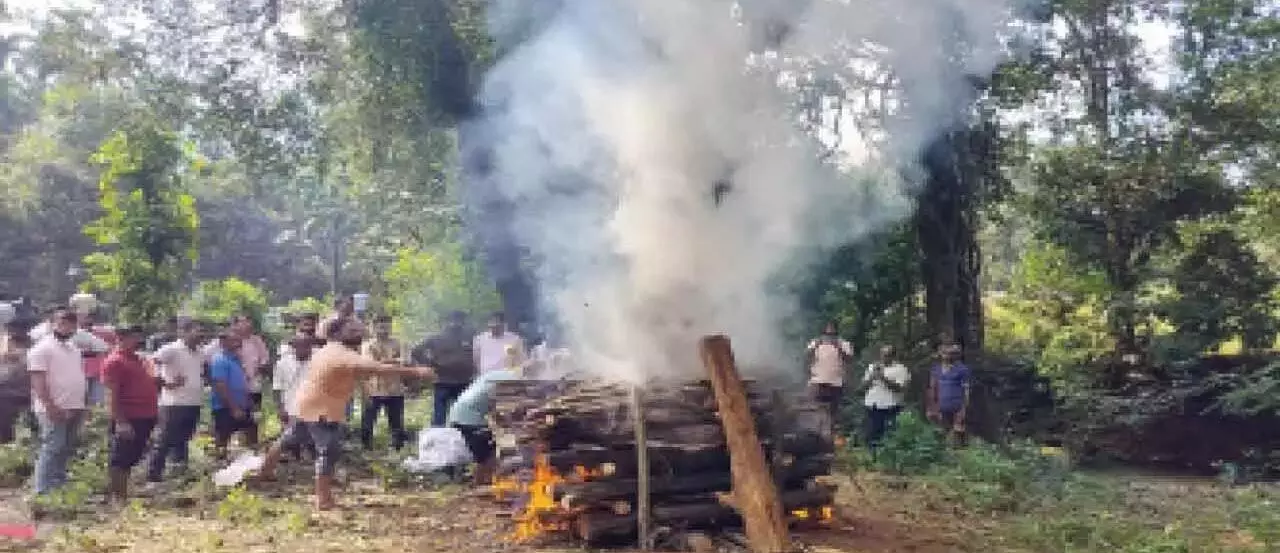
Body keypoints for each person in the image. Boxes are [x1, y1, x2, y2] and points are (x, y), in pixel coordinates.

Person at [257, 317, 434, 510]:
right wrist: (416, 372)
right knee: (328, 451)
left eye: (358, 330)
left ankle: (265, 471)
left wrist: (392, 365)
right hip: (323, 410)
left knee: (287, 439)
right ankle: (322, 499)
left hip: (307, 404)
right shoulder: (342, 354)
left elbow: (367, 367)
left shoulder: (329, 350)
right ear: (336, 334)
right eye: (351, 331)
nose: (358, 334)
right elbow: (375, 368)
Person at [27, 308, 88, 495]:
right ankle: (42, 490)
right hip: (53, 407)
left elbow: (77, 376)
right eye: (62, 322)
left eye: (71, 323)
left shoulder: (74, 349)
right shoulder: (42, 349)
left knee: (66, 447)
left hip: (74, 405)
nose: (67, 326)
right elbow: (38, 381)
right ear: (52, 323)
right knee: (53, 447)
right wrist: (50, 406)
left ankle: (58, 484)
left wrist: (82, 404)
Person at [447, 344, 523, 486]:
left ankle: (483, 482)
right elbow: (500, 406)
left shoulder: (496, 374)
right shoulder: (511, 379)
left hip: (458, 412)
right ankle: (481, 484)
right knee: (487, 455)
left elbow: (492, 404)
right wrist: (510, 423)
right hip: (469, 418)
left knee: (487, 452)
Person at [101, 326, 157, 504]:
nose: (137, 340)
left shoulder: (139, 359)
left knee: (134, 455)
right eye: (133, 336)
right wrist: (120, 421)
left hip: (145, 414)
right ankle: (118, 497)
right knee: (121, 457)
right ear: (121, 338)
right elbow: (112, 394)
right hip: (129, 415)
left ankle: (122, 493)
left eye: (138, 335)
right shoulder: (115, 361)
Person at [146, 319, 205, 485]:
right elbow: (151, 362)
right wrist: (165, 383)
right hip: (173, 403)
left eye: (201, 331)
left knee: (183, 439)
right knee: (164, 439)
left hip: (193, 402)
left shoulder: (199, 352)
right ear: (183, 332)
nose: (199, 335)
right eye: (196, 331)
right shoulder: (172, 349)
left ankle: (179, 473)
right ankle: (153, 475)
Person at [414, 311, 475, 427]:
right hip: (442, 381)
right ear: (446, 321)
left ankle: (460, 438)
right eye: (453, 319)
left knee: (462, 415)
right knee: (439, 416)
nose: (455, 323)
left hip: (464, 382)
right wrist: (429, 363)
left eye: (459, 320)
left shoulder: (470, 337)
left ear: (463, 322)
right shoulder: (435, 337)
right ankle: (437, 439)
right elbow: (416, 351)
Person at [360, 315, 408, 450]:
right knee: (368, 421)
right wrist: (393, 361)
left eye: (387, 327)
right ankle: (366, 447)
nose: (384, 330)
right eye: (381, 327)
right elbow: (370, 364)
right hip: (373, 388)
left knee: (396, 421)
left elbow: (405, 361)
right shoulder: (367, 345)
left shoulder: (399, 343)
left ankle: (397, 447)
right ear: (374, 327)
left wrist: (382, 361)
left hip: (395, 388)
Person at [209, 331, 258, 459]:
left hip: (242, 405)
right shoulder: (219, 360)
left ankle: (251, 461)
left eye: (239, 339)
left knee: (252, 430)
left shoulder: (237, 359)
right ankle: (220, 463)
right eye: (233, 340)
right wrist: (233, 408)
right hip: (226, 407)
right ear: (223, 343)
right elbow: (220, 386)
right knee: (223, 437)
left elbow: (243, 383)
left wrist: (249, 403)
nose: (238, 342)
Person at [272, 335, 316, 461]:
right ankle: (295, 458)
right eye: (299, 346)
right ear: (294, 347)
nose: (303, 350)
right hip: (291, 407)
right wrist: (280, 409)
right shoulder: (283, 363)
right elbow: (277, 387)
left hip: (312, 407)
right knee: (290, 438)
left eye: (306, 346)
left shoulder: (317, 362)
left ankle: (313, 460)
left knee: (312, 438)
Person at [806, 320, 853, 434]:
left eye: (832, 333)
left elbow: (849, 360)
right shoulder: (815, 342)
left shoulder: (843, 343)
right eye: (827, 333)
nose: (829, 335)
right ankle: (814, 431)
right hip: (817, 381)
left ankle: (831, 435)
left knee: (833, 410)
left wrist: (838, 347)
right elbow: (806, 358)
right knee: (814, 408)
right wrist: (815, 346)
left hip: (836, 382)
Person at [861, 345, 910, 453]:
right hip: (873, 404)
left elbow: (900, 388)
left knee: (889, 433)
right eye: (882, 355)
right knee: (872, 433)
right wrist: (872, 376)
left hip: (890, 406)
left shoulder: (901, 369)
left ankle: (887, 456)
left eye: (887, 355)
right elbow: (863, 387)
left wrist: (883, 378)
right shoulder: (872, 367)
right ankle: (871, 455)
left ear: (893, 356)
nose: (884, 358)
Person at [927, 342, 971, 444]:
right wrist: (931, 408)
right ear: (940, 353)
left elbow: (966, 390)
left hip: (956, 407)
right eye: (944, 352)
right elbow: (932, 388)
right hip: (940, 408)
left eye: (949, 352)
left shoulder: (962, 369)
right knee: (940, 435)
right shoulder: (935, 369)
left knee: (957, 438)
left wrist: (963, 409)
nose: (946, 355)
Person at [0, 323, 34, 444]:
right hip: (22, 397)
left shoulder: (25, 357)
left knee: (9, 429)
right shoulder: (30, 354)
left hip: (14, 397)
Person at [79, 311, 118, 408]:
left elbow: (116, 342)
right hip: (80, 371)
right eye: (84, 318)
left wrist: (108, 350)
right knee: (81, 399)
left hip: (99, 370)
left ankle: (97, 418)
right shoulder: (75, 334)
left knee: (98, 400)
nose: (87, 321)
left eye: (89, 318)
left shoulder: (103, 332)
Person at [473, 312, 523, 377]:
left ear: (503, 325)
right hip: (486, 377)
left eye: (497, 325)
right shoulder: (480, 339)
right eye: (492, 325)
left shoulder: (513, 339)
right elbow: (477, 359)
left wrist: (517, 376)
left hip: (507, 378)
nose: (494, 328)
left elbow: (517, 360)